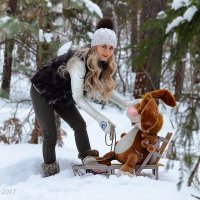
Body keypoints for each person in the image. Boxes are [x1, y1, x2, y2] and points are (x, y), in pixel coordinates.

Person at [30, 18, 137, 177]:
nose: (107, 52)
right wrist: (101, 119)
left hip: (62, 95)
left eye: (111, 48)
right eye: (103, 47)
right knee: (50, 135)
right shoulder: (78, 62)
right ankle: (50, 172)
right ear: (95, 45)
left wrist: (126, 103)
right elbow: (78, 97)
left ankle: (88, 158)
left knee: (79, 125)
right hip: (42, 91)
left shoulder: (101, 62)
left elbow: (105, 89)